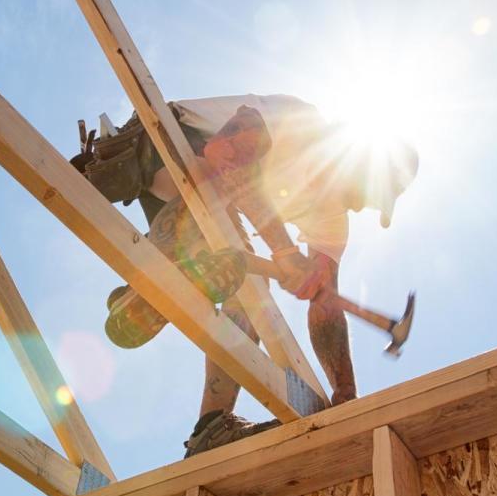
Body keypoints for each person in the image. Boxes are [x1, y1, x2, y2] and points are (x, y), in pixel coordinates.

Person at [71, 94, 417, 456]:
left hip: (185, 200)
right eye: (366, 193)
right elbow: (226, 155)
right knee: (223, 207)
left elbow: (325, 306)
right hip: (164, 144)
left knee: (245, 283)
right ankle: (153, 278)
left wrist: (345, 394)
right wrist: (283, 251)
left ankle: (210, 426)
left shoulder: (331, 217)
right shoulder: (300, 123)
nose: (360, 205)